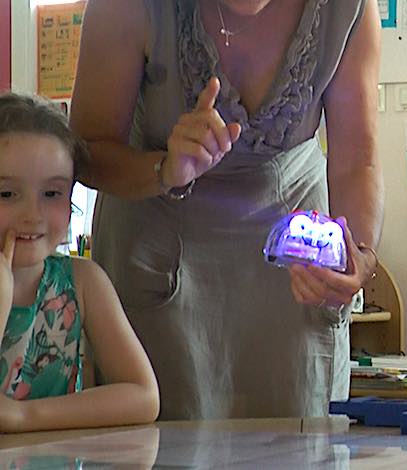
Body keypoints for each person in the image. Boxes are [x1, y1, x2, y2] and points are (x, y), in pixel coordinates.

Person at [69, 0, 383, 419]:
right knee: (164, 437)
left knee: (295, 435)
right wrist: (165, 169)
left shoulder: (349, 8)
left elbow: (357, 161)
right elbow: (87, 151)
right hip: (158, 250)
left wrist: (359, 256)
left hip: (294, 265)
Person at [0, 92, 158, 432]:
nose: (32, 215)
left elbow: (144, 396)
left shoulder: (83, 282)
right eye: (7, 194)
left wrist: (24, 417)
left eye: (52, 194)